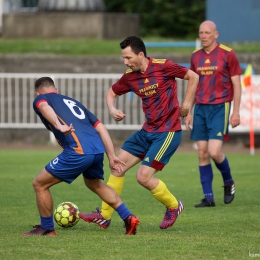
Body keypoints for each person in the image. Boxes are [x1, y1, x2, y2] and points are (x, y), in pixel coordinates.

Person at [79, 36, 199, 230]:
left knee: (143, 177)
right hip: (147, 130)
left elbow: (193, 76)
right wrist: (112, 108)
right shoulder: (130, 76)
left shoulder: (163, 66)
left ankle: (174, 206)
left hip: (167, 131)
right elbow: (111, 92)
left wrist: (186, 105)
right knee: (117, 167)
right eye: (123, 58)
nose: (125, 62)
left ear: (141, 54)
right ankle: (104, 216)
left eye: (128, 58)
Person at [22, 77, 140, 236]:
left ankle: (47, 228)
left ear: (37, 92)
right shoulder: (73, 102)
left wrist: (58, 125)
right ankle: (128, 217)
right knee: (95, 184)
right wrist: (111, 156)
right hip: (97, 150)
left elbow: (43, 106)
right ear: (56, 90)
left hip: (78, 151)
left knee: (39, 184)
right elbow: (101, 128)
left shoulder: (41, 99)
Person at [185, 20, 242, 207]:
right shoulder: (195, 57)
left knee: (214, 151)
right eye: (201, 32)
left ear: (215, 34)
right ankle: (208, 197)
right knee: (202, 153)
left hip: (220, 107)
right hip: (200, 108)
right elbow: (192, 86)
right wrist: (189, 111)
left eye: (207, 33)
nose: (203, 36)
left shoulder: (228, 54)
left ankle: (228, 181)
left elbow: (236, 84)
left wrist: (236, 111)